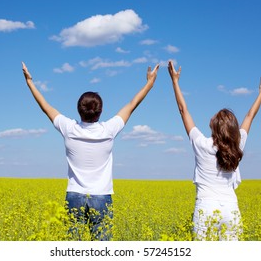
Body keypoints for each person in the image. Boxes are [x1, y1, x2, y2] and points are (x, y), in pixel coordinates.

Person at [22, 62, 159, 240]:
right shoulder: (108, 130)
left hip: (74, 195)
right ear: (100, 112)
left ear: (79, 110)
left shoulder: (69, 129)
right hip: (101, 196)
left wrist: (30, 82)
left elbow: (45, 107)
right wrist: (149, 83)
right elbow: (132, 104)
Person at [167, 60, 261, 240]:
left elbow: (183, 110)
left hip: (206, 207)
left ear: (213, 126)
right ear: (233, 129)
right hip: (231, 209)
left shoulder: (201, 144)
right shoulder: (237, 145)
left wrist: (175, 81)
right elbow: (250, 116)